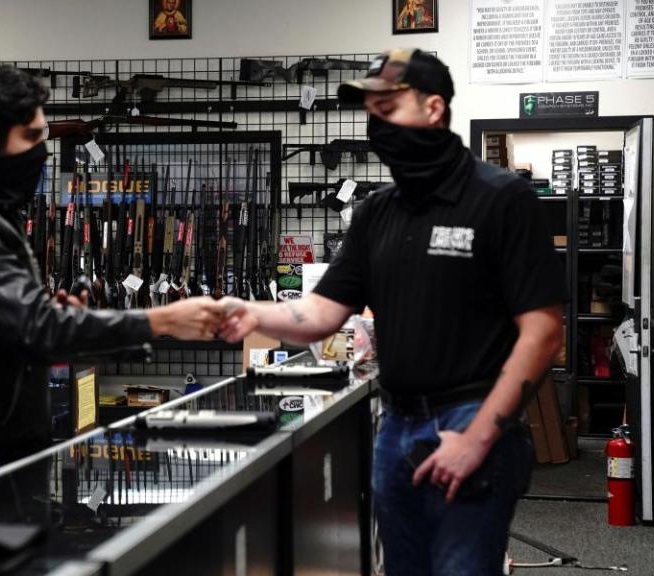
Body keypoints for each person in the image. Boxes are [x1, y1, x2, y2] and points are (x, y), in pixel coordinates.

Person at [220, 49, 566, 575]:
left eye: (389, 107)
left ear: (433, 110)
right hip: (397, 426)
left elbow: (542, 333)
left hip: (468, 422)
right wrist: (248, 314)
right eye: (370, 110)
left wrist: (477, 438)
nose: (375, 122)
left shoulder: (502, 199)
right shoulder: (376, 211)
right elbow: (320, 312)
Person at [0, 62, 224, 504]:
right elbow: (36, 328)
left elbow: (20, 329)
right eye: (31, 137)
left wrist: (78, 320)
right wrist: (159, 320)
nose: (43, 151)